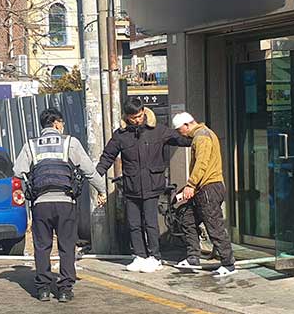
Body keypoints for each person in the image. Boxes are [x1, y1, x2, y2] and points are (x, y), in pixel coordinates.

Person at [13, 108, 106, 302]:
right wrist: (102, 190)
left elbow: (18, 172)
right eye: (61, 123)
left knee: (42, 246)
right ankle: (64, 289)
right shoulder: (70, 143)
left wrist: (27, 192)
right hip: (65, 202)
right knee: (66, 245)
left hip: (40, 204)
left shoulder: (31, 145)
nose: (62, 126)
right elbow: (89, 171)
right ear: (56, 123)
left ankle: (44, 289)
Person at [97, 98, 191, 273]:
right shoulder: (121, 135)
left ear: (144, 112)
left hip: (152, 185)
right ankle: (139, 256)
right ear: (127, 117)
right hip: (131, 186)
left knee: (150, 222)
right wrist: (95, 176)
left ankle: (155, 257)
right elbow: (107, 157)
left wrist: (197, 135)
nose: (137, 120)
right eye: (133, 118)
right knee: (133, 223)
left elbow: (181, 139)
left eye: (139, 116)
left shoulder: (158, 130)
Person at [171, 112, 235, 278]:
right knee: (186, 218)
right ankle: (193, 257)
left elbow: (202, 163)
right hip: (204, 188)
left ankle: (228, 263)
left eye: (180, 130)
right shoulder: (204, 134)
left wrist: (191, 185)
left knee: (214, 226)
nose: (181, 134)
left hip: (208, 188)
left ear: (186, 125)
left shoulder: (202, 137)